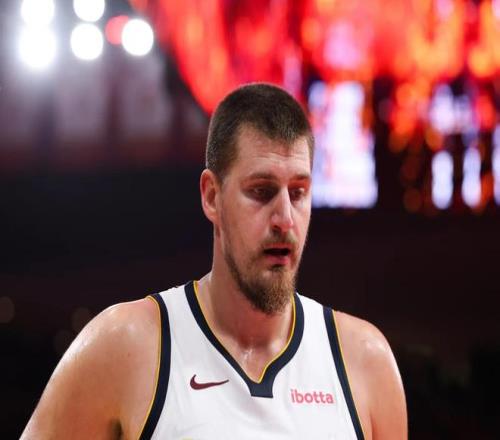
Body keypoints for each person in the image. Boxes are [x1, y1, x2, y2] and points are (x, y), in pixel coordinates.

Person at [21, 83, 407, 439]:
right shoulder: (123, 345)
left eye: (298, 192)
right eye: (262, 191)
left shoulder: (365, 361)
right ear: (211, 196)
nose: (285, 219)